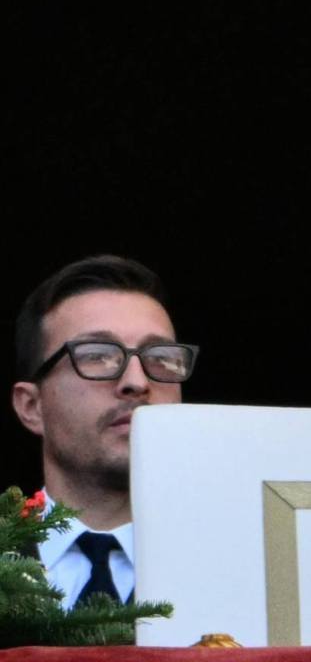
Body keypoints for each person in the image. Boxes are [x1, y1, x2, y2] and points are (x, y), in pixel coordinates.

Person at [10, 255, 197, 608]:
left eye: (161, 357)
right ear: (31, 406)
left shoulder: (238, 559)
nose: (137, 382)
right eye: (97, 355)